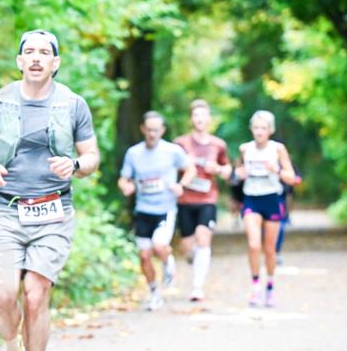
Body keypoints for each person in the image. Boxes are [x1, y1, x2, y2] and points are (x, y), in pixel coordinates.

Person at [0, 30, 99, 351]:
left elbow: (91, 157)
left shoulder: (73, 104)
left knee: (35, 293)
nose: (37, 58)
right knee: (3, 294)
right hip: (7, 211)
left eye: (45, 52)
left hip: (54, 212)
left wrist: (75, 164)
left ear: (56, 63)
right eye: (30, 52)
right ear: (20, 61)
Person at [118, 112, 197, 311]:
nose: (152, 134)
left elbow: (190, 169)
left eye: (156, 130)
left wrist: (182, 185)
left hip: (165, 209)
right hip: (143, 210)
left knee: (159, 246)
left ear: (162, 130)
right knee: (144, 256)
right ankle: (154, 293)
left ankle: (168, 261)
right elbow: (124, 178)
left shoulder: (172, 151)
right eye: (149, 130)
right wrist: (125, 186)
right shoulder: (134, 153)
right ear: (143, 129)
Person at [235, 110, 297, 307]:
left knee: (270, 249)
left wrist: (276, 170)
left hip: (272, 199)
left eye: (263, 128)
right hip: (251, 199)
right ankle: (255, 288)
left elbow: (291, 178)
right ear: (251, 129)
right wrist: (239, 174)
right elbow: (236, 173)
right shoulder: (245, 149)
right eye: (256, 128)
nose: (259, 132)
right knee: (254, 245)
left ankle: (269, 287)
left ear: (270, 130)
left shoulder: (278, 149)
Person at [173, 100, 231, 302]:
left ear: (209, 119)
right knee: (188, 247)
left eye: (203, 115)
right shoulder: (181, 143)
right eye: (195, 115)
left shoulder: (218, 145)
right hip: (185, 200)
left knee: (204, 237)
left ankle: (197, 287)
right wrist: (184, 167)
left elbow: (227, 170)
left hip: (208, 198)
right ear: (191, 119)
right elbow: (170, 166)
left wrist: (219, 170)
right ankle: (193, 255)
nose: (199, 119)